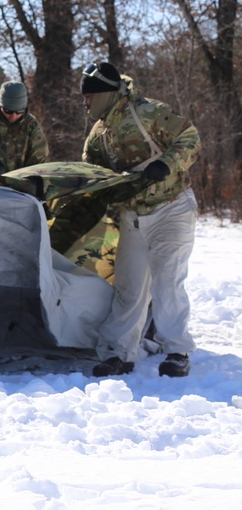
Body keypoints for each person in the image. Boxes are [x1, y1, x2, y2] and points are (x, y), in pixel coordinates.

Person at [80, 61, 201, 378]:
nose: (85, 102)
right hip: (132, 215)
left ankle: (176, 351)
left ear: (105, 94)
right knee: (129, 288)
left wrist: (167, 163)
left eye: (89, 96)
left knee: (167, 281)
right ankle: (117, 354)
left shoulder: (147, 112)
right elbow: (92, 174)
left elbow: (190, 137)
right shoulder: (98, 137)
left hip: (171, 207)